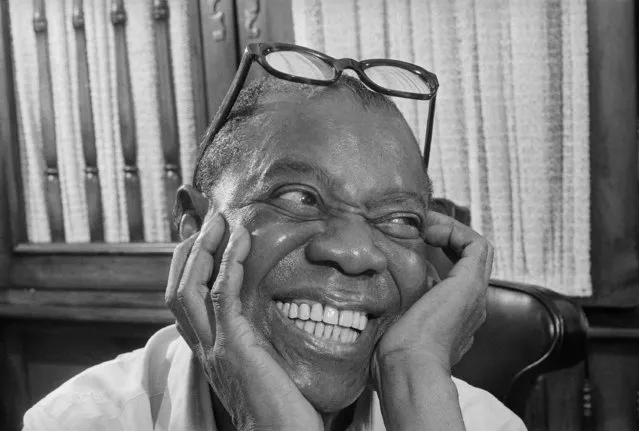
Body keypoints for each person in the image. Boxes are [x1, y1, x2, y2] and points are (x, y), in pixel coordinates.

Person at [22, 44, 527, 431]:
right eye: (300, 198)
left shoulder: (478, 423)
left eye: (399, 220)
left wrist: (412, 372)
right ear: (196, 228)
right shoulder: (79, 422)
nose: (355, 252)